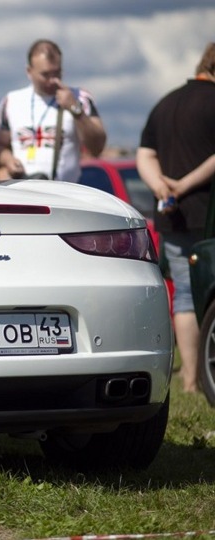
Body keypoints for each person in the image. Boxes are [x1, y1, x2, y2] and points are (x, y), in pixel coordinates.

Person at [136, 42, 215, 394]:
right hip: (207, 213)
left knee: (184, 295)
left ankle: (190, 381)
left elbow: (145, 154)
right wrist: (183, 185)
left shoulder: (165, 103)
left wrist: (162, 188)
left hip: (173, 216)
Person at [0, 39, 106, 182]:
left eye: (57, 73)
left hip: (63, 192)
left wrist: (75, 110)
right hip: (22, 191)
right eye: (45, 75)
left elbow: (97, 147)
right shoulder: (11, 100)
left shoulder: (80, 98)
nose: (53, 80)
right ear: (29, 71)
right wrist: (8, 160)